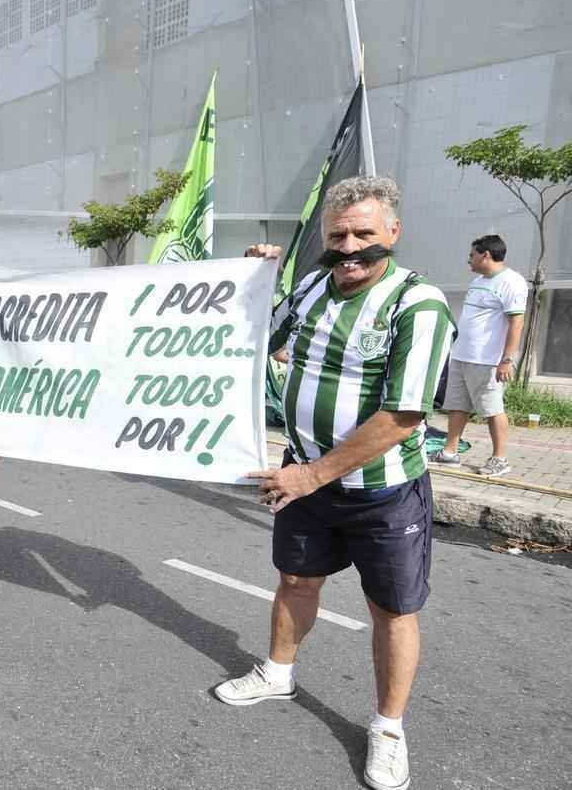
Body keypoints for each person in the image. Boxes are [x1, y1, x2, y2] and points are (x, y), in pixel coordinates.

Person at [215, 177, 455, 790]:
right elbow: (253, 339)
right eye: (337, 235)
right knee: (296, 580)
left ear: (393, 233)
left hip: (381, 492)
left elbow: (403, 416)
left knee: (392, 611)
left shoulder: (418, 305)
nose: (348, 247)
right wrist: (255, 281)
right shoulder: (312, 287)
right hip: (305, 481)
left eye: (363, 234)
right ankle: (277, 673)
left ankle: (388, 729)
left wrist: (311, 475)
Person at [428, 234, 526, 477]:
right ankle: (449, 453)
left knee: (492, 409)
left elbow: (516, 323)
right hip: (462, 356)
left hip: (488, 361)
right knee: (457, 406)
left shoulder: (512, 282)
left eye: (472, 255)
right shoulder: (478, 282)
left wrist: (507, 360)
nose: (468, 260)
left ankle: (500, 459)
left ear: (486, 255)